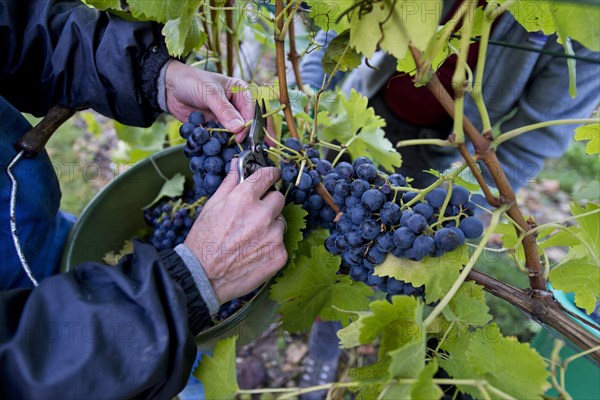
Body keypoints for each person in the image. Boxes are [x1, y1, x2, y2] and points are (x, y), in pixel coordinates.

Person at [294, 0, 600, 398]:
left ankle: (389, 352)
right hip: (355, 124)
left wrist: (457, 209)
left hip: (454, 165)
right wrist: (309, 105)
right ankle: (325, 348)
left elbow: (525, 148)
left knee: (406, 269)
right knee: (333, 248)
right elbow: (332, 30)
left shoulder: (584, 19)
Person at [0, 0, 287, 398]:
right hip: (93, 346)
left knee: (185, 350)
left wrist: (151, 74)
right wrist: (188, 284)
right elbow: (28, 376)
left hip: (33, 234)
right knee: (169, 366)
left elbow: (15, 26)